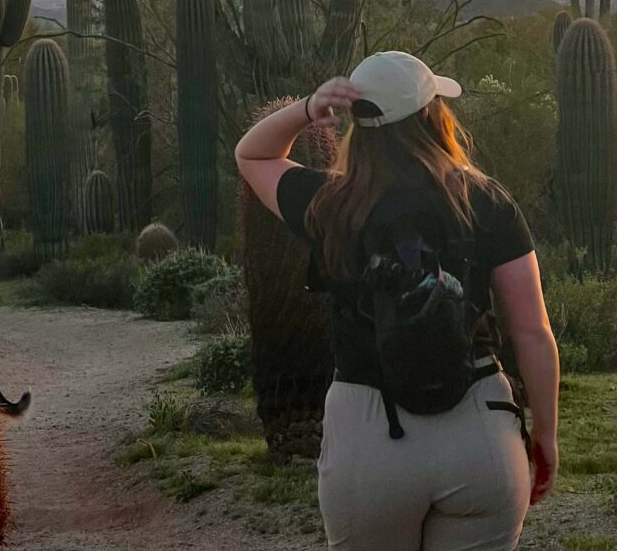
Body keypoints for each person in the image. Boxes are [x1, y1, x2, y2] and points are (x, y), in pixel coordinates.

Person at [234, 52, 559, 550]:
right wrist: (545, 436)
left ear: (359, 128)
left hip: (369, 438)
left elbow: (253, 155)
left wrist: (308, 108)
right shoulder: (485, 200)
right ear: (432, 116)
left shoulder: (330, 204)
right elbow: (532, 331)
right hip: (478, 429)